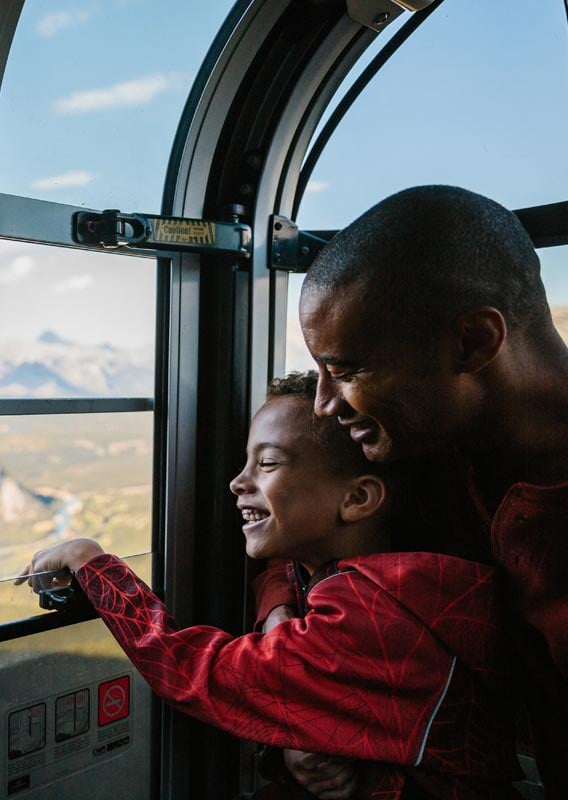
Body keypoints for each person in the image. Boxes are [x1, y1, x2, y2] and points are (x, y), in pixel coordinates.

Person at [17, 372, 521, 800]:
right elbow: (284, 568)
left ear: (358, 499)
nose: (238, 482)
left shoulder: (365, 617)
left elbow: (193, 670)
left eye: (269, 463)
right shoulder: (397, 577)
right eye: (245, 461)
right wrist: (279, 615)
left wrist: (95, 565)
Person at [280, 185, 568, 796]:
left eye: (349, 370)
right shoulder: (417, 449)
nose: (325, 404)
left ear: (472, 343)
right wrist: (287, 639)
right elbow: (298, 530)